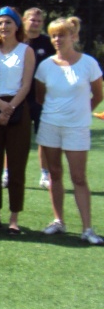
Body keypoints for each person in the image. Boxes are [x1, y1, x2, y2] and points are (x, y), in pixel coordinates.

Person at [34, 16, 103, 244]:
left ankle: (87, 229)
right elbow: (40, 96)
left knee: (79, 178)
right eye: (53, 35)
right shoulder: (45, 66)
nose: (56, 39)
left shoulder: (89, 63)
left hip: (77, 128)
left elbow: (98, 94)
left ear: (74, 36)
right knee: (54, 174)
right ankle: (58, 221)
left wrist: (82, 113)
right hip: (50, 126)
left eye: (61, 35)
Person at [0, 7, 35, 234]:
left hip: (17, 108)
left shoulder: (26, 51)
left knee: (16, 166)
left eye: (8, 23)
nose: (4, 27)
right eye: (0, 23)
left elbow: (26, 85)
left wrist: (9, 109)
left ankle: (14, 218)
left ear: (17, 26)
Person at [23, 7, 55, 189]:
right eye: (32, 20)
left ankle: (45, 173)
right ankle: (8, 172)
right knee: (15, 137)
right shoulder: (17, 42)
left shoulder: (49, 43)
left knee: (44, 137)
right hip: (19, 97)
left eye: (38, 21)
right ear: (25, 21)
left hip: (42, 99)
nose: (35, 23)